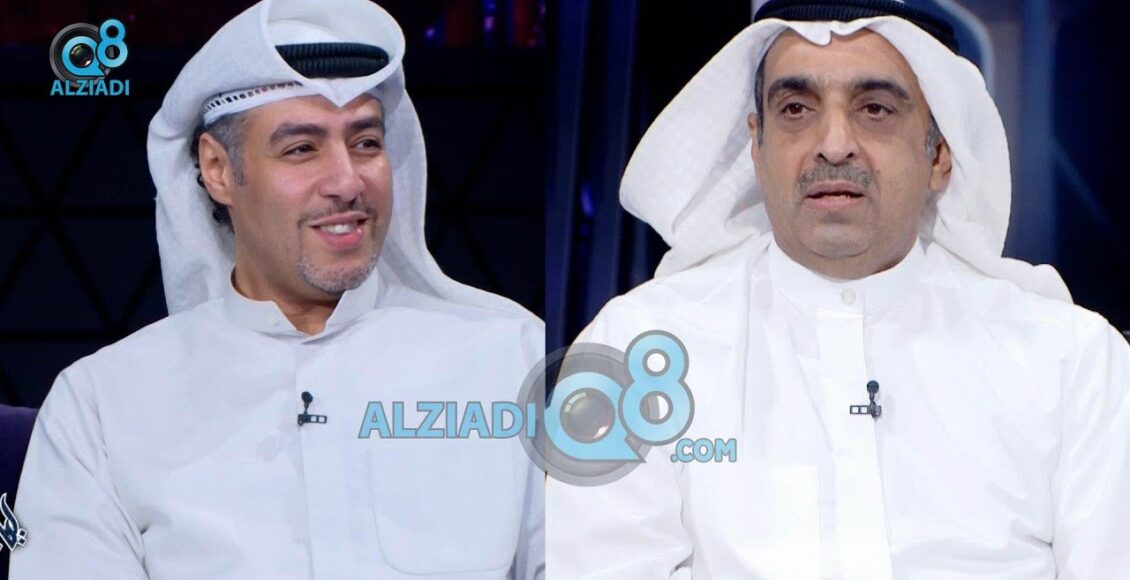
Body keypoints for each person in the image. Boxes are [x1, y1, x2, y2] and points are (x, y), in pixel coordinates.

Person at [546, 0, 1130, 578]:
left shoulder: (1072, 362)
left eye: (875, 109)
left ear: (940, 154)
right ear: (757, 148)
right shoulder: (634, 350)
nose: (833, 144)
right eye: (796, 109)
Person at [11, 0, 544, 578]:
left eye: (366, 142)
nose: (347, 182)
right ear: (218, 170)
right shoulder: (102, 405)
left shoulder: (515, 360)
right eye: (301, 149)